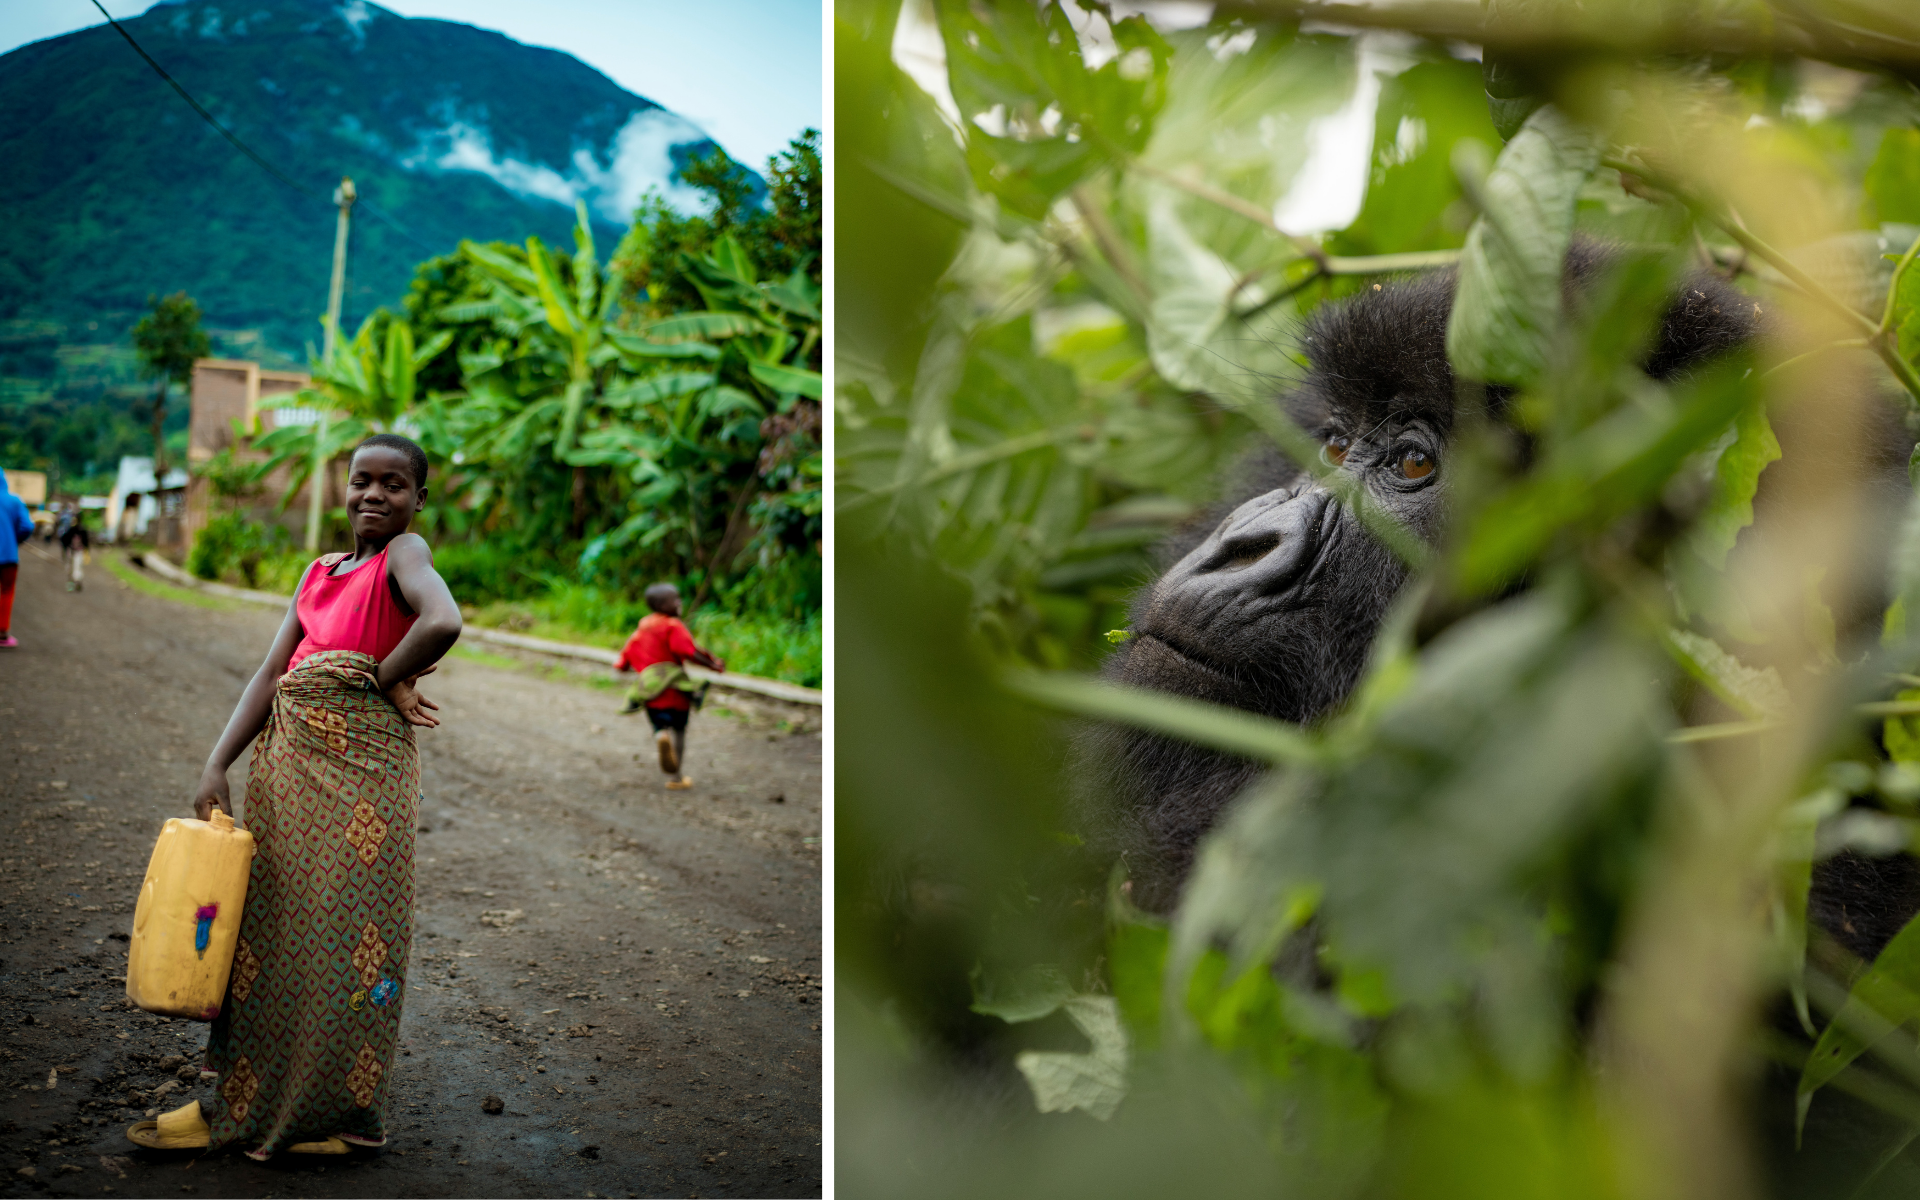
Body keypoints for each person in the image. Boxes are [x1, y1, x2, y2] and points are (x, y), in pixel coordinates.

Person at [124, 433, 460, 1159]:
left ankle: (327, 1114)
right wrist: (218, 763)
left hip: (361, 779)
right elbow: (271, 673)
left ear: (418, 500)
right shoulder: (318, 572)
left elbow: (443, 621)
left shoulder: (406, 556)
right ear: (342, 489)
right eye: (361, 481)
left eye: (394, 485)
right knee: (269, 935)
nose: (374, 495)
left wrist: (377, 675)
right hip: (285, 775)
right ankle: (240, 1099)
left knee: (344, 940)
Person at [614, 582, 723, 790]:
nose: (679, 603)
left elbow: (624, 658)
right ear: (662, 605)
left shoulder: (642, 628)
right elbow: (688, 651)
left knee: (659, 724)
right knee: (680, 730)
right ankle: (677, 777)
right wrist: (713, 664)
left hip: (651, 691)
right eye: (674, 600)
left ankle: (660, 735)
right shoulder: (673, 625)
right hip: (675, 691)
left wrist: (625, 667)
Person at [0, 474, 31, 649]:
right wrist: (16, 539)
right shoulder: (14, 501)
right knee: (6, 591)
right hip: (8, 556)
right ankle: (2, 633)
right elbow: (27, 526)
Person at [58, 512, 89, 592]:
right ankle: (74, 583)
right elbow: (65, 540)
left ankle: (75, 583)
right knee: (73, 567)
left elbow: (86, 542)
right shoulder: (73, 530)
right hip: (73, 551)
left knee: (75, 567)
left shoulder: (78, 530)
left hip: (77, 551)